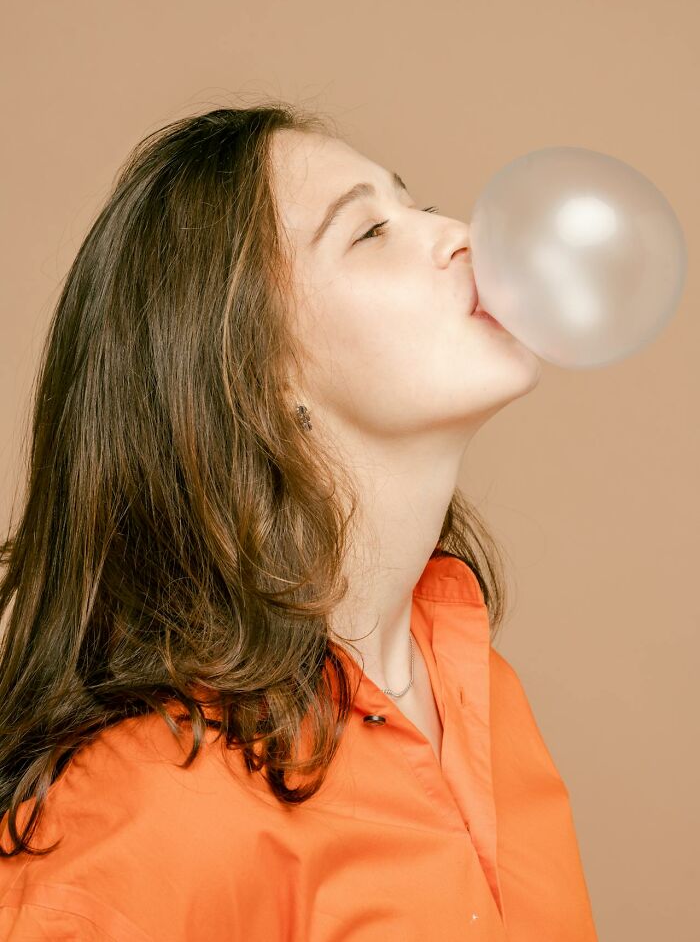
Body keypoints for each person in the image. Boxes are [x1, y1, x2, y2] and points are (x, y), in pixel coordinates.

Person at [0, 103, 597, 939]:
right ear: (254, 374)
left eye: (418, 204)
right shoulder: (143, 810)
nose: (461, 234)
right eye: (370, 232)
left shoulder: (484, 694)